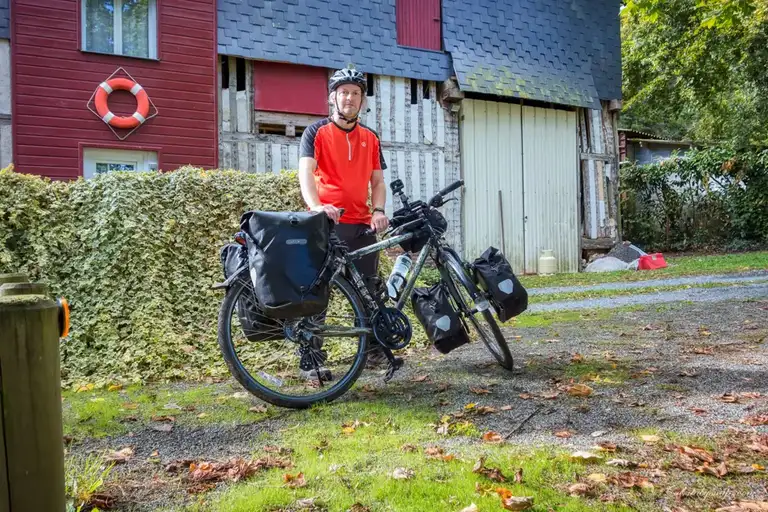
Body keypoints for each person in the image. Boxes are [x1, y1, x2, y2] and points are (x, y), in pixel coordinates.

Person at [297, 67, 390, 380]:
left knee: (370, 289)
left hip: (362, 224)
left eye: (355, 93)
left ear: (361, 100)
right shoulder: (316, 132)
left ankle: (376, 352)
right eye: (343, 92)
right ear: (332, 98)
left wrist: (378, 209)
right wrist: (317, 206)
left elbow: (377, 181)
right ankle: (313, 362)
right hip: (327, 225)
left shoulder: (371, 138)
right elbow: (306, 174)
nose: (349, 98)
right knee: (318, 293)